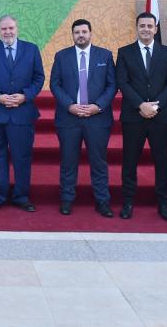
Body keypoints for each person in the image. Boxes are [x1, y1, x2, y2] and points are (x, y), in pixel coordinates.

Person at [0, 15, 45, 213]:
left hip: (22, 113)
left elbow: (39, 77)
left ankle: (21, 196)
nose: (7, 32)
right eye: (3, 29)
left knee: (22, 157)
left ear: (17, 28)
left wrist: (25, 96)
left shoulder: (31, 49)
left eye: (11, 28)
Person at [50, 19, 117, 217]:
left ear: (90, 33)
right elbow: (55, 84)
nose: (81, 35)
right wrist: (69, 105)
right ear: (72, 35)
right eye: (77, 32)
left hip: (97, 118)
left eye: (84, 32)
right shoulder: (61, 56)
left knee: (99, 161)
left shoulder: (104, 55)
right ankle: (67, 199)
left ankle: (102, 201)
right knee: (68, 161)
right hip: (69, 118)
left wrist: (98, 106)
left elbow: (112, 85)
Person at [116, 12, 167, 221]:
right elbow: (122, 83)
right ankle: (127, 202)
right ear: (137, 28)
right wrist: (141, 105)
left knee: (162, 162)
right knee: (130, 161)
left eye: (149, 26)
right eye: (142, 26)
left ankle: (163, 204)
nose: (146, 29)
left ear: (156, 28)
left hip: (160, 118)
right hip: (133, 117)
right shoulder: (124, 52)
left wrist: (155, 105)